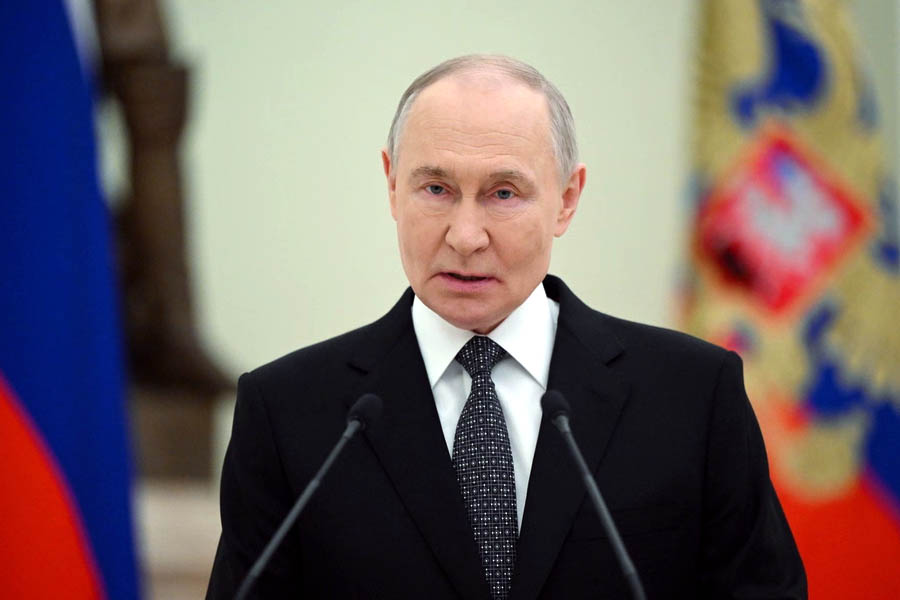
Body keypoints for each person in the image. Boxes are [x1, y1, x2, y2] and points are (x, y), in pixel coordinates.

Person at [207, 55, 806, 599]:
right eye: (436, 188)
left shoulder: (693, 397)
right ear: (392, 184)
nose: (466, 236)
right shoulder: (287, 413)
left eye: (503, 193)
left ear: (567, 199)